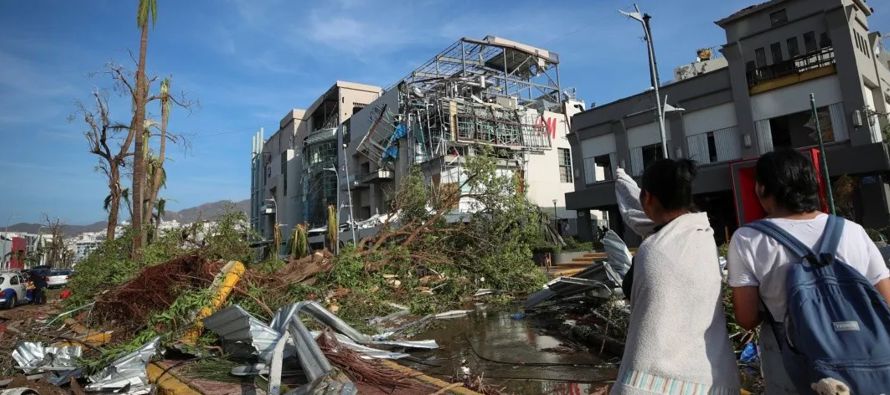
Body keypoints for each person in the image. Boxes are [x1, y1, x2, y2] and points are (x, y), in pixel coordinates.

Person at [727, 149, 890, 393]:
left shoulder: (748, 239)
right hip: (866, 361)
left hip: (793, 364)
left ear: (761, 189)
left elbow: (747, 318)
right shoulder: (853, 231)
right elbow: (885, 300)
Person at [611, 159, 740, 394]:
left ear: (647, 198)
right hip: (712, 378)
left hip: (657, 382)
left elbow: (630, 290)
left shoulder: (652, 249)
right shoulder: (704, 236)